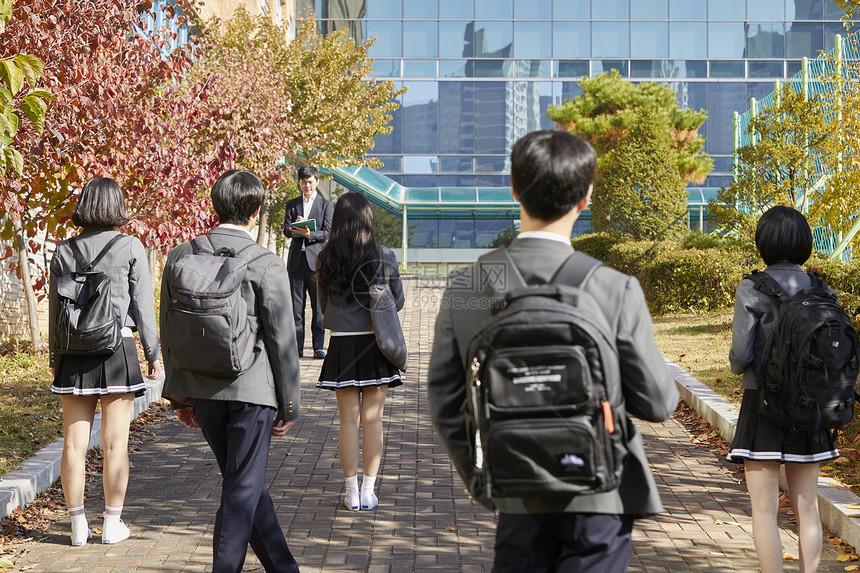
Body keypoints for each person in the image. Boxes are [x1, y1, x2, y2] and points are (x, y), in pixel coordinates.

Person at [427, 129, 678, 572]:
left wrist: (487, 478)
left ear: (513, 189)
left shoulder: (467, 285)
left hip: (517, 493)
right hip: (602, 495)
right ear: (586, 197)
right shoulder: (615, 288)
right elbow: (658, 403)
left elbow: (446, 400)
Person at [161, 170, 301, 573]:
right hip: (253, 392)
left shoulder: (181, 255)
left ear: (214, 205)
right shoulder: (266, 264)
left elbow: (172, 328)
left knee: (244, 486)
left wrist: (179, 397)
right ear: (255, 212)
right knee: (242, 489)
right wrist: (288, 404)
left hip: (203, 392)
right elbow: (282, 340)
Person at [48, 177, 161, 546]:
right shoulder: (130, 247)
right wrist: (154, 353)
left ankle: (77, 525)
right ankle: (113, 524)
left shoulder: (63, 251)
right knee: (116, 445)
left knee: (73, 445)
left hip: (74, 355)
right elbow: (144, 307)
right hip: (118, 350)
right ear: (117, 205)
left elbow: (56, 314)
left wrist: (54, 358)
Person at [727, 206, 837, 573]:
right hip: (812, 408)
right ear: (805, 243)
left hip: (763, 404)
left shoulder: (751, 288)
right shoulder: (823, 289)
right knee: (807, 508)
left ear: (764, 243)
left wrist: (737, 367)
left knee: (764, 509)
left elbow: (742, 354)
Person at [315, 192, 404, 511]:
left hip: (342, 343)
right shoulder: (385, 256)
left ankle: (351, 493)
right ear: (368, 219)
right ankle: (369, 491)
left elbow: (322, 308)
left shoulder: (325, 258)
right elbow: (399, 302)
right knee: (373, 420)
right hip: (375, 343)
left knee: (347, 422)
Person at [283, 165, 334, 359]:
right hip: (296, 263)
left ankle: (318, 347)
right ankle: (297, 348)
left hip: (317, 264)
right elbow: (286, 230)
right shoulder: (292, 204)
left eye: (310, 181)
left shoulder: (326, 205)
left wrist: (309, 234)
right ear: (299, 182)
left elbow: (328, 232)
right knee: (297, 309)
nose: (307, 185)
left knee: (318, 309)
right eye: (303, 182)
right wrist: (295, 228)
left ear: (317, 181)